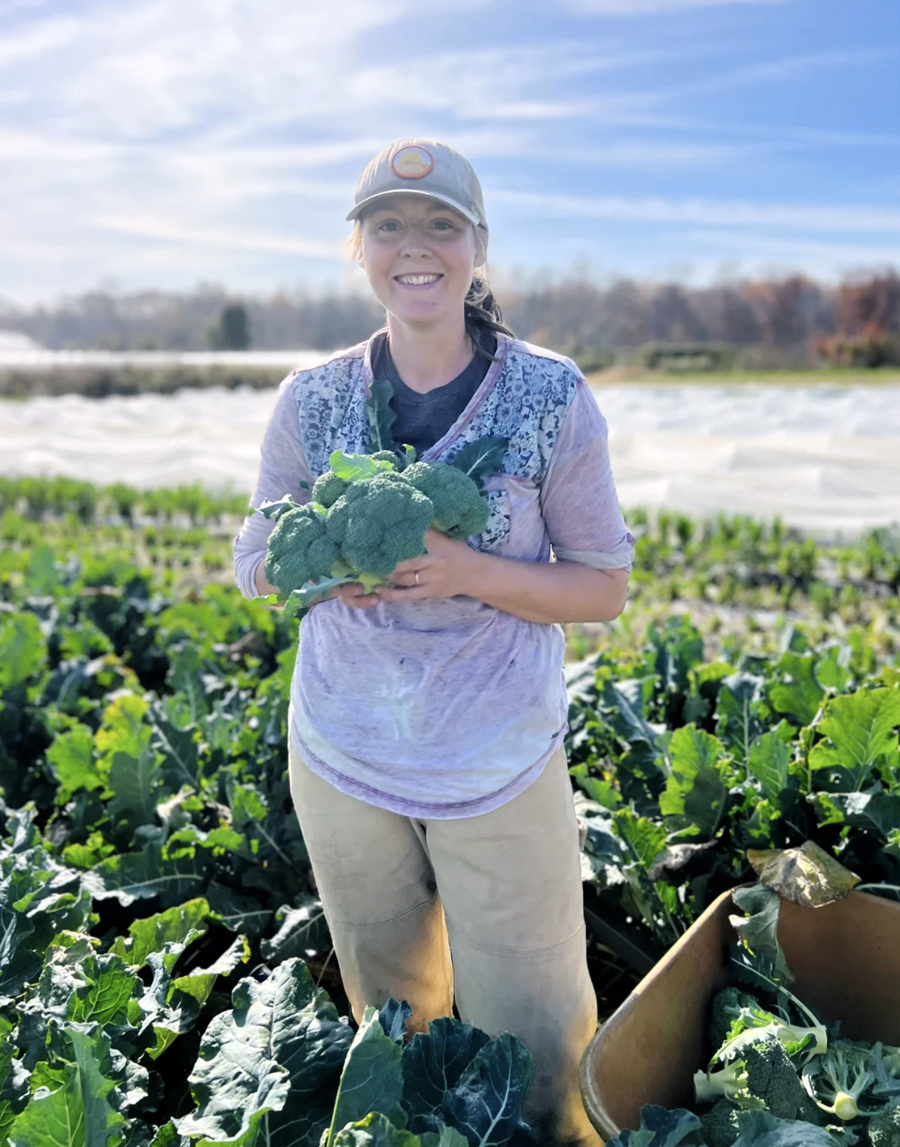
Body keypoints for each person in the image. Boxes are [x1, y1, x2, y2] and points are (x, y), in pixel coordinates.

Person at [233, 138, 634, 1146]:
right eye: (389, 224)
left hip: (497, 761)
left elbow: (604, 588)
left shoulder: (549, 398)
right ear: (358, 250)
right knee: (394, 1031)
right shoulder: (313, 399)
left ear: (478, 248)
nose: (416, 245)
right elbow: (253, 556)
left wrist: (471, 572)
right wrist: (324, 570)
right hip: (344, 757)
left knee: (539, 1060)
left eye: (440, 224)